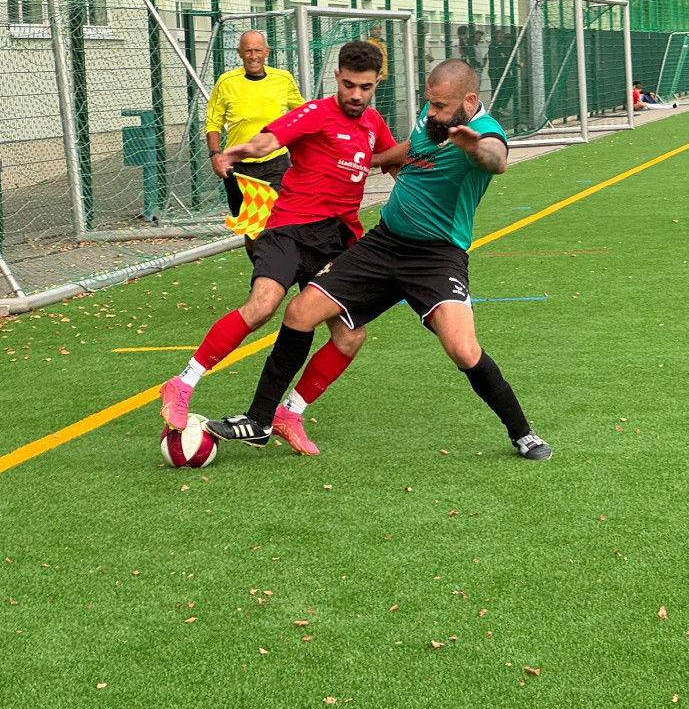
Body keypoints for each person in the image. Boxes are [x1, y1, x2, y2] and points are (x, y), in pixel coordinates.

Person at [204, 59, 553, 461]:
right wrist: (366, 159)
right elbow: (412, 147)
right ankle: (263, 419)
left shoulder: (486, 133)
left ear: (469, 101)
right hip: (383, 243)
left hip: (436, 257)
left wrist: (474, 146)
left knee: (462, 349)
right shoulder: (433, 117)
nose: (432, 112)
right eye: (430, 102)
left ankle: (523, 433)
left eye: (441, 106)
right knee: (300, 312)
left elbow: (497, 159)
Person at [159, 41, 405, 454]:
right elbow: (267, 142)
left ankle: (289, 414)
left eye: (364, 87)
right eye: (348, 85)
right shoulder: (315, 112)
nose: (355, 95)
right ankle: (182, 383)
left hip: (337, 239)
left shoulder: (373, 122)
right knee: (262, 305)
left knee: (350, 337)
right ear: (337, 77)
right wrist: (231, 153)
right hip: (290, 228)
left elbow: (390, 160)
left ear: (377, 82)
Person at [205, 30, 306, 256]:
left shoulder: (283, 79)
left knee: (277, 223)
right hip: (240, 170)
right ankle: (261, 270)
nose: (253, 56)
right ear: (239, 53)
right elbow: (213, 123)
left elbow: (302, 114)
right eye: (248, 51)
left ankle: (275, 270)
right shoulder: (226, 82)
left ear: (267, 52)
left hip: (276, 164)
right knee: (253, 231)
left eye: (258, 50)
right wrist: (215, 155)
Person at [364, 24, 393, 126]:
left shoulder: (382, 43)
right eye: (375, 29)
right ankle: (378, 124)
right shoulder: (369, 44)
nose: (378, 31)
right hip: (378, 78)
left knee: (387, 103)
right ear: (370, 30)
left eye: (379, 29)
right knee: (380, 103)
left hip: (387, 77)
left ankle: (384, 125)